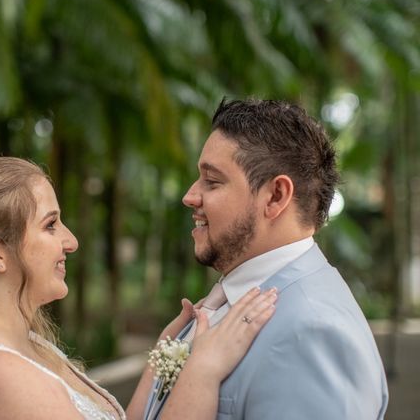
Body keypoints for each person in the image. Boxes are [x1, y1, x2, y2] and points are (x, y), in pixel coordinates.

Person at [0, 157, 278, 420]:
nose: (71, 241)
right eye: (50, 225)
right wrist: (204, 371)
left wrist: (165, 354)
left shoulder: (25, 347)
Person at [144, 99, 389, 419]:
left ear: (275, 197)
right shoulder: (229, 301)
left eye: (212, 181)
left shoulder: (312, 334)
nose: (190, 196)